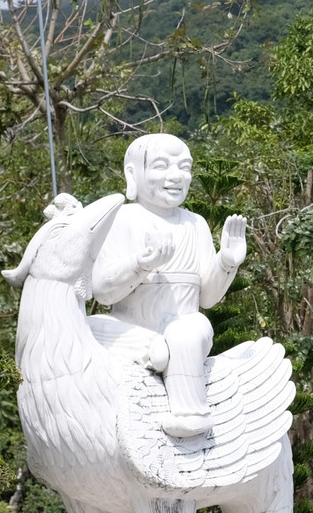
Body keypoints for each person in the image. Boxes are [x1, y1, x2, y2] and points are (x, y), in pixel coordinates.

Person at [91, 135, 248, 438]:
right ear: (133, 174)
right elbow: (103, 291)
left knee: (184, 332)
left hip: (186, 325)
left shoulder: (196, 224)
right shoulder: (123, 219)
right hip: (131, 328)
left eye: (184, 167)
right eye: (162, 166)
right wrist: (142, 264)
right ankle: (154, 350)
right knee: (85, 327)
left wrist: (227, 261)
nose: (176, 176)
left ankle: (191, 414)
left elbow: (208, 297)